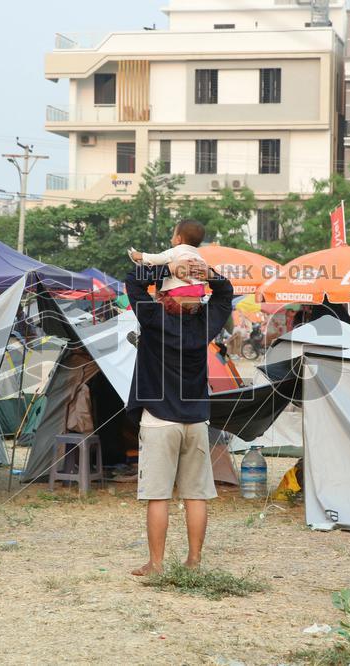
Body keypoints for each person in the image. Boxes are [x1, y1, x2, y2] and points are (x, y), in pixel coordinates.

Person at [125, 233, 234, 576]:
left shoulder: (154, 321)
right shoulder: (205, 325)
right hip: (196, 420)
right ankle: (194, 562)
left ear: (165, 297)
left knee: (159, 496)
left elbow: (133, 281)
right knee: (195, 495)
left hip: (159, 421)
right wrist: (208, 275)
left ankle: (156, 564)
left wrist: (167, 267)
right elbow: (225, 293)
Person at [128, 220, 207, 304]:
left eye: (173, 235)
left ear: (178, 239)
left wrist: (141, 256)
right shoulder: (199, 258)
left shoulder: (175, 251)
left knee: (166, 306)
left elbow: (158, 259)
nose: (170, 239)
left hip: (177, 295)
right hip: (197, 294)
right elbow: (204, 276)